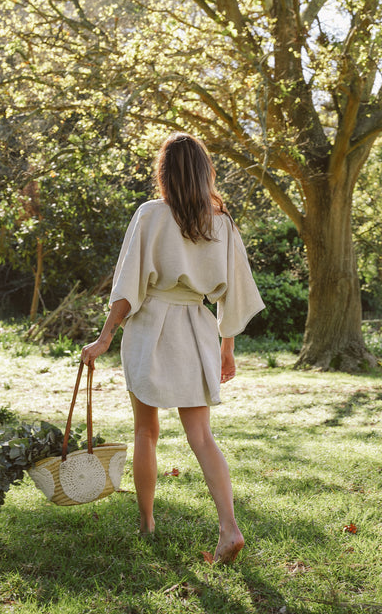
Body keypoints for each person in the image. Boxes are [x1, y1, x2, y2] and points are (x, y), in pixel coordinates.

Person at [81, 132, 264, 563]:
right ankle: (229, 529)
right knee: (201, 436)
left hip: (150, 326)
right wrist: (226, 347)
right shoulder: (221, 222)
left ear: (163, 173)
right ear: (205, 173)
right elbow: (233, 294)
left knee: (146, 430)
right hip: (197, 328)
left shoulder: (150, 215)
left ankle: (146, 522)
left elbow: (128, 288)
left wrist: (105, 334)